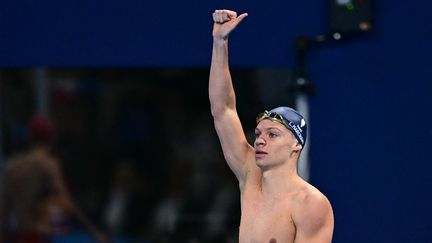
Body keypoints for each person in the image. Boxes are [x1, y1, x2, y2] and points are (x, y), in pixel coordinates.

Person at [209, 9, 334, 243]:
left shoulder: (310, 204)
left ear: (296, 144)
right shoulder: (249, 175)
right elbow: (223, 109)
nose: (260, 140)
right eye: (258, 134)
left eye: (272, 134)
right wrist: (219, 42)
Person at [0, 115, 108, 243]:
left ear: (29, 138)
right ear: (52, 138)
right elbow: (67, 204)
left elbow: (3, 210)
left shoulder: (12, 166)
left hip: (18, 236)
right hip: (38, 235)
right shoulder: (48, 164)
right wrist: (93, 231)